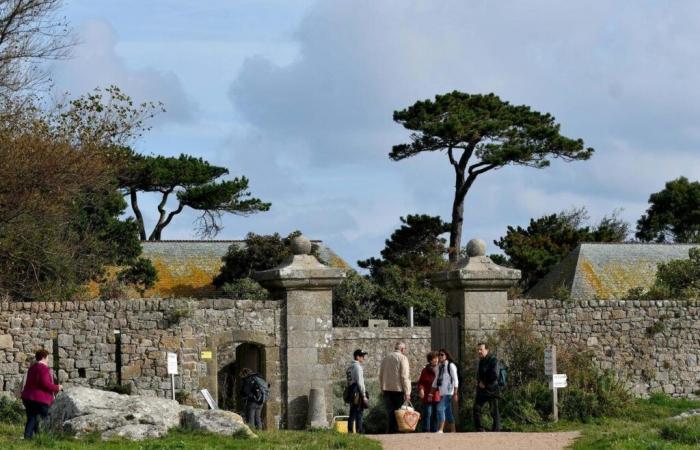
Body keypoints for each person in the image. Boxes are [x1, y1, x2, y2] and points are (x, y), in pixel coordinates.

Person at [20, 349, 62, 439]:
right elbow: (45, 384)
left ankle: (28, 438)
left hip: (28, 397)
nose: (48, 360)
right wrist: (57, 387)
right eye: (47, 358)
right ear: (43, 357)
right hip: (39, 399)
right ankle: (48, 438)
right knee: (49, 417)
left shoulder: (32, 368)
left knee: (31, 418)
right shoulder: (43, 368)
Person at [378, 342, 411, 433]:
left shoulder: (386, 358)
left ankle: (390, 430)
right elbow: (404, 376)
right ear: (402, 349)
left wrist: (382, 388)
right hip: (398, 388)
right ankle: (397, 429)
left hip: (386, 388)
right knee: (399, 411)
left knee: (390, 410)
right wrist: (407, 392)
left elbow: (380, 375)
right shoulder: (403, 358)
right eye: (404, 349)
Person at [473, 342, 500, 432]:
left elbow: (495, 374)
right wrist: (479, 382)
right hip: (482, 390)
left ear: (487, 350)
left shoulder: (493, 360)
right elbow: (479, 374)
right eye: (478, 349)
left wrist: (484, 382)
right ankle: (480, 429)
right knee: (476, 408)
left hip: (492, 389)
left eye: (481, 349)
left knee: (494, 411)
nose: (479, 351)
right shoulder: (481, 361)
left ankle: (496, 430)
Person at [433, 349, 459, 433]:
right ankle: (453, 430)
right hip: (442, 393)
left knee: (440, 409)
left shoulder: (450, 365)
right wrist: (431, 392)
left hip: (448, 392)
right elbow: (436, 380)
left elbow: (456, 380)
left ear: (446, 356)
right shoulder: (440, 367)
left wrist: (455, 393)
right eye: (439, 355)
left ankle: (440, 429)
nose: (440, 356)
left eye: (442, 355)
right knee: (448, 413)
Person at [345, 349, 369, 433]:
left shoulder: (349, 367)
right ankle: (360, 430)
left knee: (352, 411)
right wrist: (363, 395)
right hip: (357, 390)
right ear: (357, 357)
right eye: (362, 356)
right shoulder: (357, 367)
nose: (363, 358)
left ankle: (350, 431)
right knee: (359, 411)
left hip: (351, 389)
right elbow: (360, 382)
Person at [417, 351, 440, 432]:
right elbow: (421, 382)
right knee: (427, 413)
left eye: (437, 358)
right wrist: (421, 390)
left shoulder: (440, 369)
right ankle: (426, 430)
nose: (436, 360)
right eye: (434, 358)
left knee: (436, 414)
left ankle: (435, 430)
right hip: (427, 396)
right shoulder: (425, 370)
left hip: (437, 395)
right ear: (430, 360)